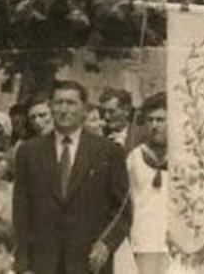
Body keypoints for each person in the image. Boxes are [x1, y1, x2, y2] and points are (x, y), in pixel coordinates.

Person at [13, 81, 131, 274]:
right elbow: (21, 211)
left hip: (90, 261)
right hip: (43, 262)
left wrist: (107, 244)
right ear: (51, 107)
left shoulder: (108, 151)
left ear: (84, 109)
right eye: (59, 103)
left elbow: (123, 208)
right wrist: (23, 265)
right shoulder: (29, 152)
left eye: (71, 103)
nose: (64, 109)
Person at [126, 92, 168, 274]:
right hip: (145, 241)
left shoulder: (183, 157)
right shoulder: (135, 158)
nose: (154, 125)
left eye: (160, 120)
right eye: (150, 120)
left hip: (176, 241)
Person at [99, 88, 144, 152]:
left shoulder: (141, 136)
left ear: (126, 111)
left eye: (111, 111)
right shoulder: (101, 137)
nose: (106, 116)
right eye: (103, 112)